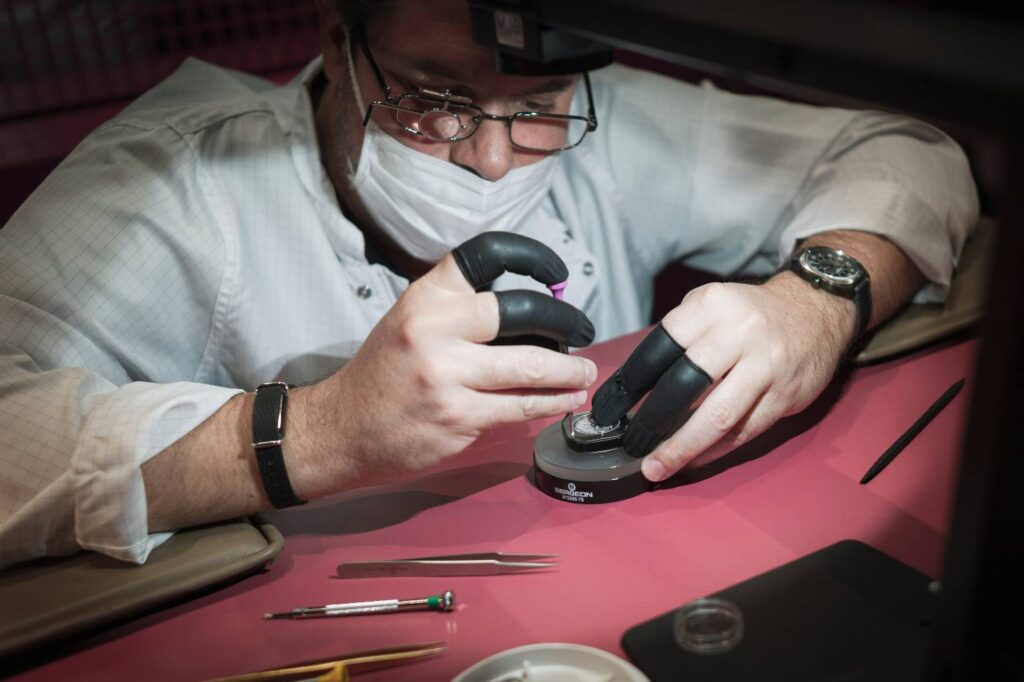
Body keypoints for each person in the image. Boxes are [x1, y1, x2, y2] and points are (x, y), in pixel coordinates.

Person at [0, 0, 978, 568]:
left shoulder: (613, 119)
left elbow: (907, 152)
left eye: (539, 104)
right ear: (340, 50)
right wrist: (318, 430)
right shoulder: (179, 183)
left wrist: (810, 301)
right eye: (434, 99)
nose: (493, 160)